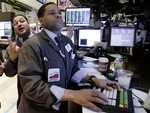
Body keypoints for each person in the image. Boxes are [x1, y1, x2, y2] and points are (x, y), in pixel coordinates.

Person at [17, 2, 121, 113]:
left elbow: (73, 69)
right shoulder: (31, 45)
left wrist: (94, 80)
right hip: (38, 109)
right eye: (52, 13)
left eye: (59, 13)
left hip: (61, 106)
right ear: (41, 21)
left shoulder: (66, 41)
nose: (58, 15)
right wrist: (73, 94)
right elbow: (32, 87)